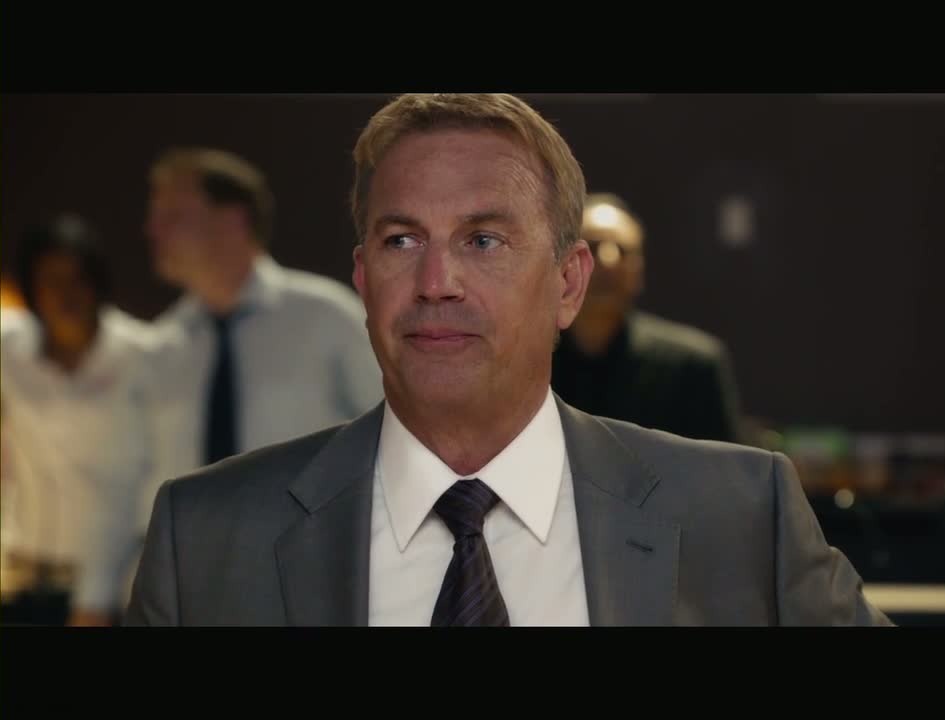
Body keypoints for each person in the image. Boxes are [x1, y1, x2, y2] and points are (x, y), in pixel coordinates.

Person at [124, 93, 890, 626]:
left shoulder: (741, 516)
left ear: (568, 284)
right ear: (363, 280)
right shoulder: (208, 540)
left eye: (483, 240)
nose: (436, 282)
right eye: (402, 241)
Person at [71, 148, 384, 626]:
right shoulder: (159, 352)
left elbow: (393, 437)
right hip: (184, 595)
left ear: (233, 220)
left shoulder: (328, 321)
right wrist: (92, 601)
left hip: (310, 586)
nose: (151, 230)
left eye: (172, 215)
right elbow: (120, 483)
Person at [0, 216, 155, 626]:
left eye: (76, 279)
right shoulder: (11, 350)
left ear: (96, 283)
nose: (64, 294)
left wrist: (98, 593)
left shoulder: (143, 357)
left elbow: (142, 483)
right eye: (50, 280)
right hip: (20, 577)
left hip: (104, 587)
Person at [551, 193, 743, 443]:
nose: (609, 261)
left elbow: (721, 464)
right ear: (565, 264)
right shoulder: (531, 360)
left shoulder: (693, 367)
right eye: (594, 247)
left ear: (639, 270)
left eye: (623, 251)